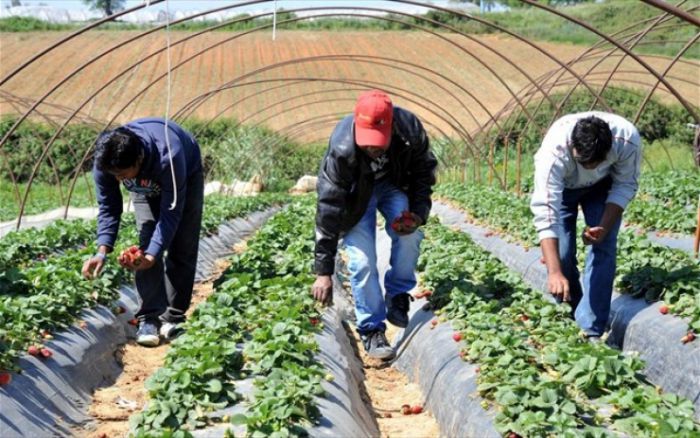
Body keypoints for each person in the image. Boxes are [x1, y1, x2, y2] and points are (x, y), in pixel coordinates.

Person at [312, 90, 438, 359]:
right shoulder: (342, 148)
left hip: (393, 186)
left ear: (392, 125)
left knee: (409, 236)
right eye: (367, 141)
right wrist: (323, 271)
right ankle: (371, 329)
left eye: (379, 141)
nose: (373, 147)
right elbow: (329, 207)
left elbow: (422, 175)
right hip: (357, 197)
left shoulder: (410, 131)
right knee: (362, 262)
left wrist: (416, 214)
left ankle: (397, 295)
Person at [82, 118, 204, 347]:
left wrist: (153, 255)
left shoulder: (170, 154)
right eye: (115, 175)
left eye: (123, 175)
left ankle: (174, 316)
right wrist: (102, 251)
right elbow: (109, 207)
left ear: (139, 159)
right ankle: (149, 318)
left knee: (183, 242)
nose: (119, 180)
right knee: (147, 239)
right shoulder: (105, 161)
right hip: (145, 184)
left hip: (185, 173)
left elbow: (171, 211)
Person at [530, 111, 642, 340]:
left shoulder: (626, 140)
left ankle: (590, 328)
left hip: (602, 187)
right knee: (562, 254)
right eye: (584, 162)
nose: (589, 167)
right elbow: (546, 210)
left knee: (604, 247)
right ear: (573, 147)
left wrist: (603, 227)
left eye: (596, 162)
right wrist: (554, 272)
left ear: (608, 150)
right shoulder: (554, 152)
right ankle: (570, 311)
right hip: (564, 190)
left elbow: (625, 184)